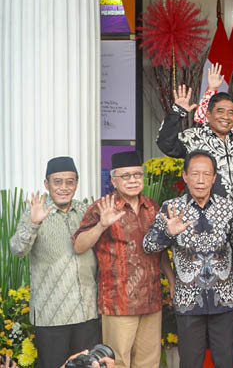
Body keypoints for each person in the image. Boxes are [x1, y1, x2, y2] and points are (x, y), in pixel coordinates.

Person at [143, 150, 233, 367]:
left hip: (223, 299)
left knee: (226, 360)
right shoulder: (171, 208)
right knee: (190, 362)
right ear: (185, 176)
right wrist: (168, 233)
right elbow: (149, 246)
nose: (201, 180)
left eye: (206, 174)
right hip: (188, 300)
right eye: (195, 174)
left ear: (214, 177)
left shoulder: (229, 209)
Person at [72, 151, 169, 368]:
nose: (133, 180)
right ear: (114, 181)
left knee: (149, 362)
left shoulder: (152, 207)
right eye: (126, 176)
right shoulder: (102, 208)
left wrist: (171, 281)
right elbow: (79, 246)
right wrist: (102, 225)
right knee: (117, 362)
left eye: (137, 175)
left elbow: (160, 251)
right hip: (119, 303)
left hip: (152, 301)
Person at [9, 157, 100, 368]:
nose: (64, 187)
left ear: (77, 183)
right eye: (57, 181)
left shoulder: (87, 210)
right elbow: (17, 249)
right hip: (51, 316)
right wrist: (33, 224)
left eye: (70, 181)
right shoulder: (36, 212)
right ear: (46, 184)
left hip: (87, 313)